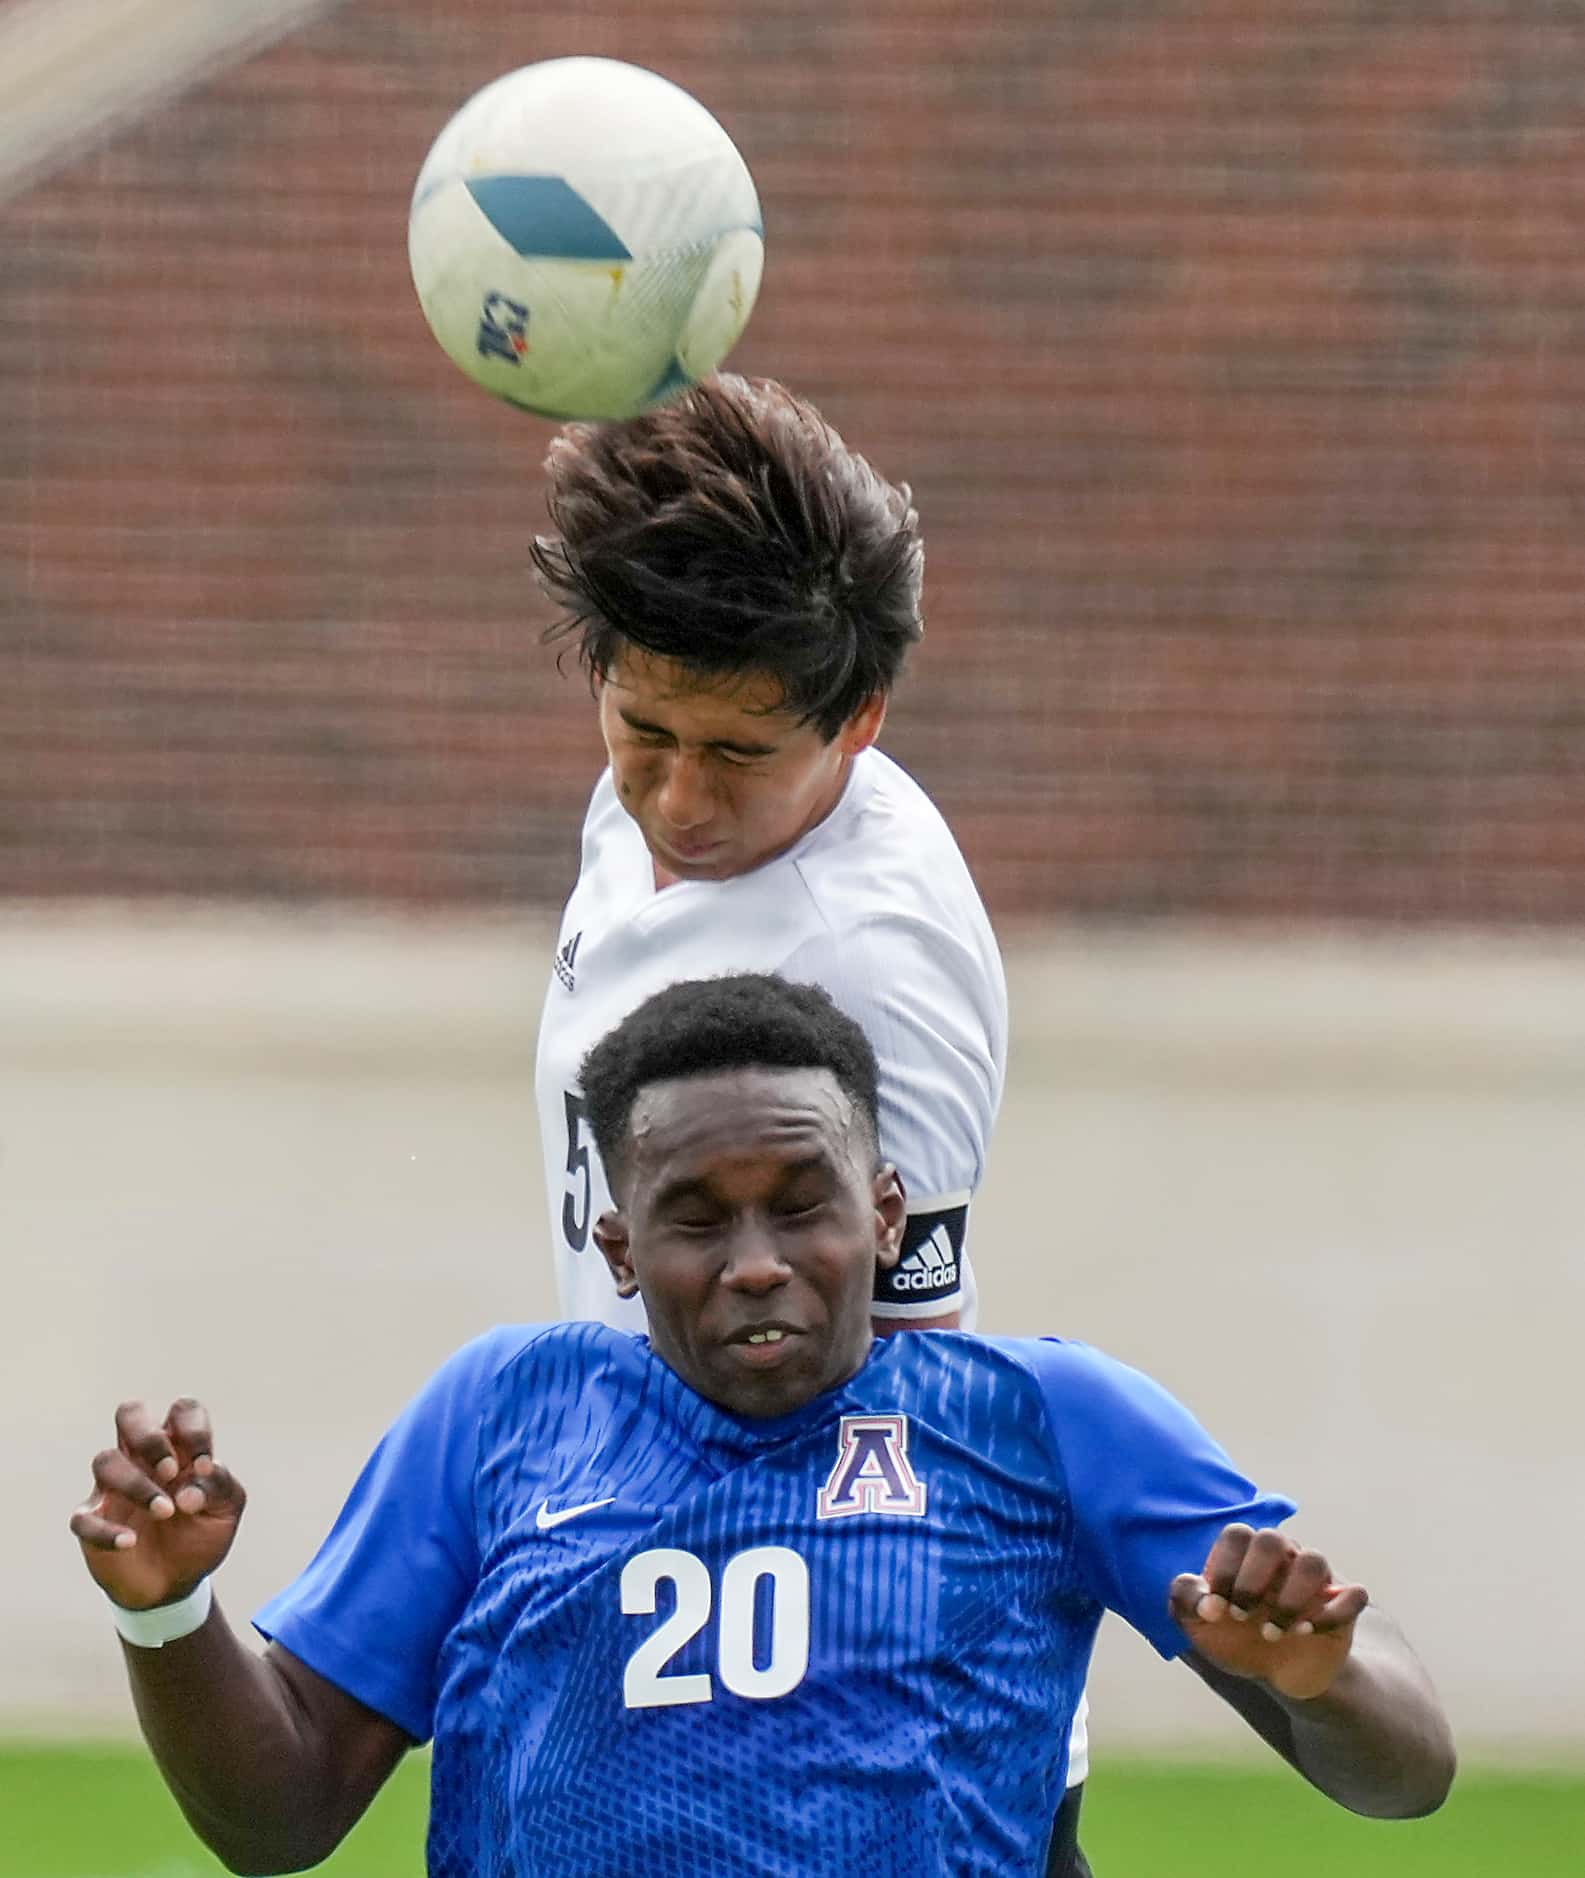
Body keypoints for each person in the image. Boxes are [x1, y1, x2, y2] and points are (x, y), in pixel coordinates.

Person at [71, 975, 1455, 1878]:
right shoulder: (504, 1414)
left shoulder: (1038, 1418)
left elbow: (1409, 1774)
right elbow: (283, 1813)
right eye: (695, 1215)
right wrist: (168, 1617)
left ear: (888, 1214)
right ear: (615, 1244)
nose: (755, 1259)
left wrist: (1315, 1670)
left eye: (803, 1201)